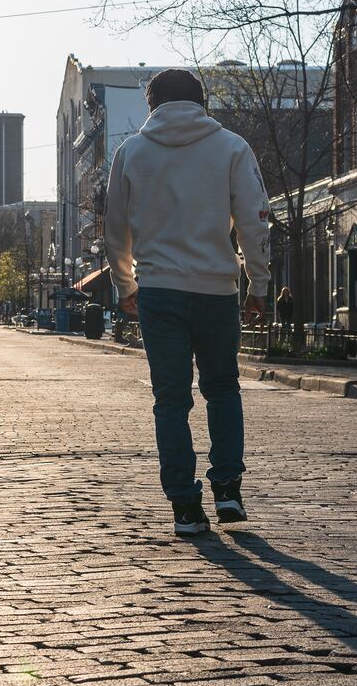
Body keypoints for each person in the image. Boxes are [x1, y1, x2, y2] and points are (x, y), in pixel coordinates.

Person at [105, 67, 269, 537]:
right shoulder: (232, 147)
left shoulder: (131, 152)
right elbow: (255, 221)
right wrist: (259, 283)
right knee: (222, 388)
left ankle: (184, 505)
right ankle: (228, 489)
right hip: (217, 289)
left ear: (152, 104)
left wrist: (125, 286)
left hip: (158, 291)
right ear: (203, 101)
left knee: (171, 399)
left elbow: (116, 229)